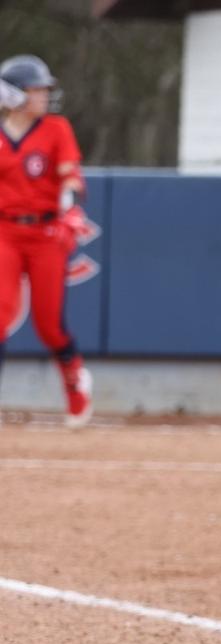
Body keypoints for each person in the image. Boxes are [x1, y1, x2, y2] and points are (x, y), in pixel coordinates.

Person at [0, 55, 91, 427]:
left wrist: (68, 199)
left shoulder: (56, 129)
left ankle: (74, 382)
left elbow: (71, 176)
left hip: (45, 233)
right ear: (13, 95)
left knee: (48, 324)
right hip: (5, 231)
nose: (43, 97)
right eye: (36, 90)